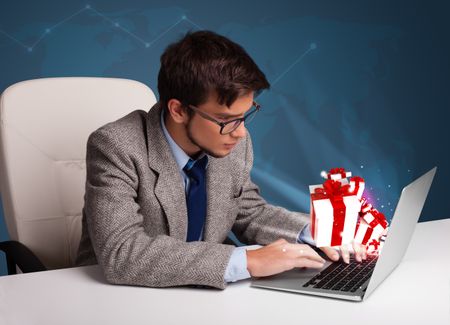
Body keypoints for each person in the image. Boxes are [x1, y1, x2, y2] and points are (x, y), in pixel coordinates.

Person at [76, 30, 366, 289]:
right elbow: (122, 253)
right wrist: (248, 260)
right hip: (118, 297)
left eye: (245, 115)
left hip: (202, 296)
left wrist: (316, 232)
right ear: (178, 110)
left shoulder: (232, 140)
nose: (240, 133)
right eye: (227, 120)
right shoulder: (116, 146)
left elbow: (248, 212)